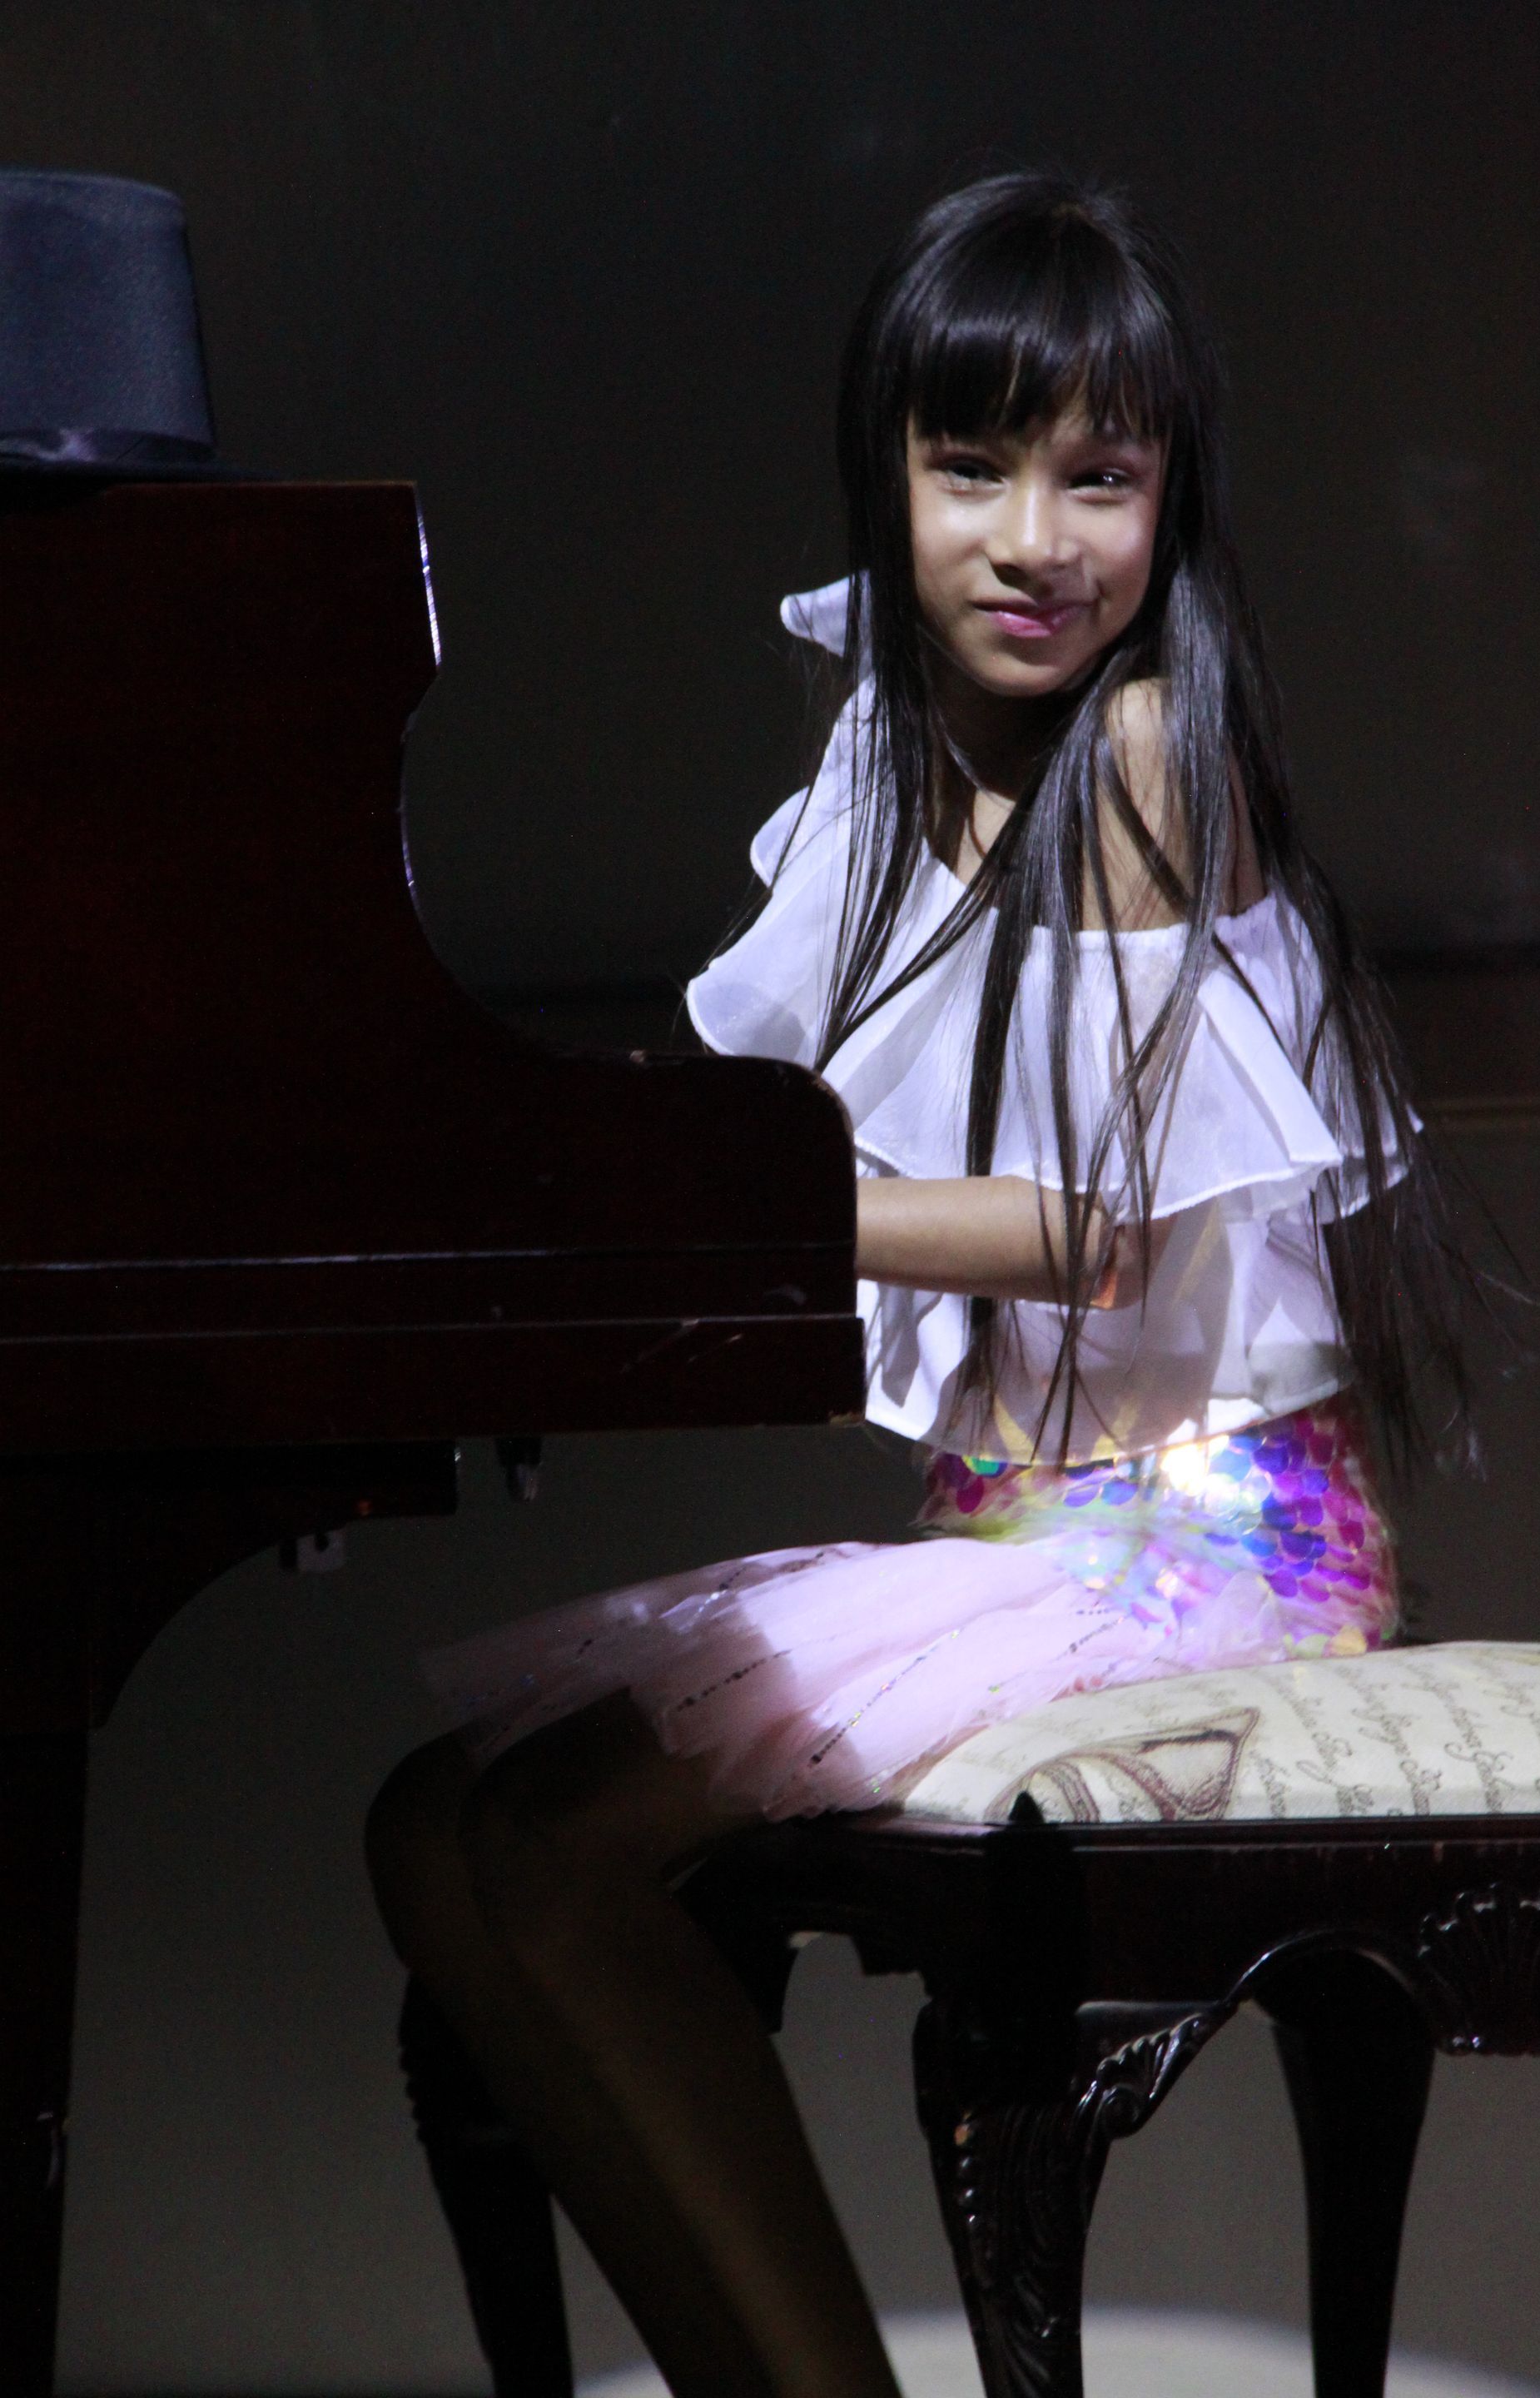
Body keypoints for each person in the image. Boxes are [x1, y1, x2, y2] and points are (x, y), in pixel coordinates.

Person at [365, 172, 1470, 2398]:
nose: (1033, 537)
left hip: (1206, 1546)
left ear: (1171, 503)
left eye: (1100, 478)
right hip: (1020, 1536)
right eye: (974, 470)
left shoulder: (1157, 752)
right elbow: (833, 1143)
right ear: (892, 473)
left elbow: (1102, 1228)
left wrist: (735, 1204)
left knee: (559, 1849)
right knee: (434, 1834)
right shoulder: (883, 741)